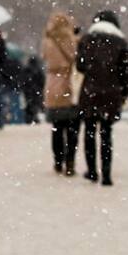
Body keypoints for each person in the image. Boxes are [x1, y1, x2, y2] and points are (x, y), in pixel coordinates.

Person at [76, 10, 128, 186]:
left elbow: (80, 66)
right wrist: (124, 92)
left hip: (90, 91)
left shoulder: (86, 40)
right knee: (106, 133)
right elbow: (125, 72)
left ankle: (92, 171)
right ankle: (106, 175)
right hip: (111, 91)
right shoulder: (120, 43)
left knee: (90, 132)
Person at [42, 11, 81, 174]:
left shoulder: (47, 41)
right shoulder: (72, 40)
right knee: (73, 128)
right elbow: (77, 58)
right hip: (70, 84)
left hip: (53, 84)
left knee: (57, 127)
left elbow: (44, 57)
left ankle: (58, 161)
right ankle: (70, 161)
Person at [21, 55, 45, 125]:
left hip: (28, 91)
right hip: (36, 91)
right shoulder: (38, 69)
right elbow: (42, 81)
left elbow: (22, 80)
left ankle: (28, 119)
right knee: (35, 105)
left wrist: (25, 88)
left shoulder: (26, 69)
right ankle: (34, 118)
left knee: (29, 105)